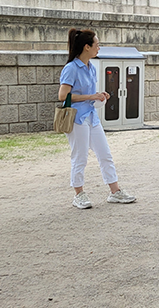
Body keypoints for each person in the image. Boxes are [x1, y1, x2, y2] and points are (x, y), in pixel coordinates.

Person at [58, 28, 135, 209]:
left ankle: (115, 191)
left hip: (91, 116)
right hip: (76, 118)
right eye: (97, 44)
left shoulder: (91, 68)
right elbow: (63, 96)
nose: (99, 47)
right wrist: (91, 97)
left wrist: (99, 96)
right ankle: (79, 194)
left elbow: (87, 94)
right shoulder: (71, 68)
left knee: (105, 154)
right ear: (87, 47)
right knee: (80, 157)